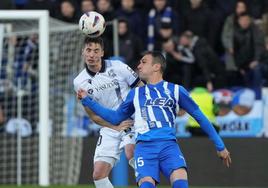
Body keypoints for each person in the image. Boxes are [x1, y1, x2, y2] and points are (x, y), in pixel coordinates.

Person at [77, 51, 232, 188]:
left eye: (143, 62)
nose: (138, 66)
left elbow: (200, 117)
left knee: (181, 184)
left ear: (156, 67)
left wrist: (220, 146)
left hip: (169, 147)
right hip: (144, 149)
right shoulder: (135, 94)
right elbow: (115, 117)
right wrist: (88, 101)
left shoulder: (176, 90)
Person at [73, 37, 143, 188]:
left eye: (96, 51)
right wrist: (113, 127)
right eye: (89, 50)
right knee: (98, 175)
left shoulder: (118, 67)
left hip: (131, 121)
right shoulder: (79, 82)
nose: (92, 55)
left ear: (102, 53)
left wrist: (141, 115)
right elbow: (92, 114)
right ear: (83, 52)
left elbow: (141, 87)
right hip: (110, 126)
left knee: (132, 154)